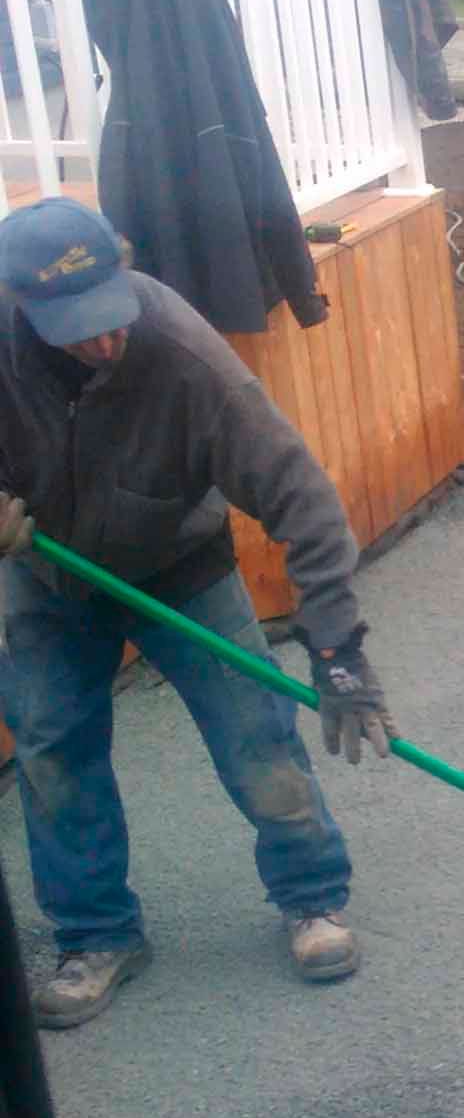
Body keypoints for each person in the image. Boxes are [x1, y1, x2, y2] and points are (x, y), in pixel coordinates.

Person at [0, 198, 399, 1029]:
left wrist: (339, 650)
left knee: (256, 736)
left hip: (179, 567)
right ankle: (96, 935)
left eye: (107, 317)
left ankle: (311, 899)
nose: (101, 342)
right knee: (51, 755)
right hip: (50, 576)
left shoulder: (184, 356)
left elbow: (304, 499)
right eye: (73, 328)